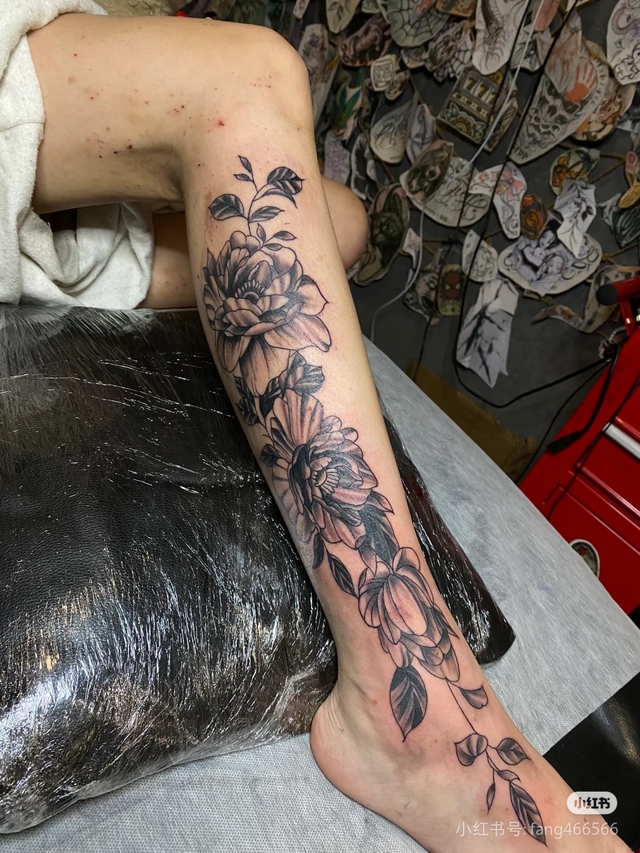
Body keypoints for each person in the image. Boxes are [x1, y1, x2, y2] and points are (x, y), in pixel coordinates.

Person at [24, 13, 625, 852]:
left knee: (333, 222)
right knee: (246, 80)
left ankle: (54, 257)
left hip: (64, 199)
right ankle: (415, 715)